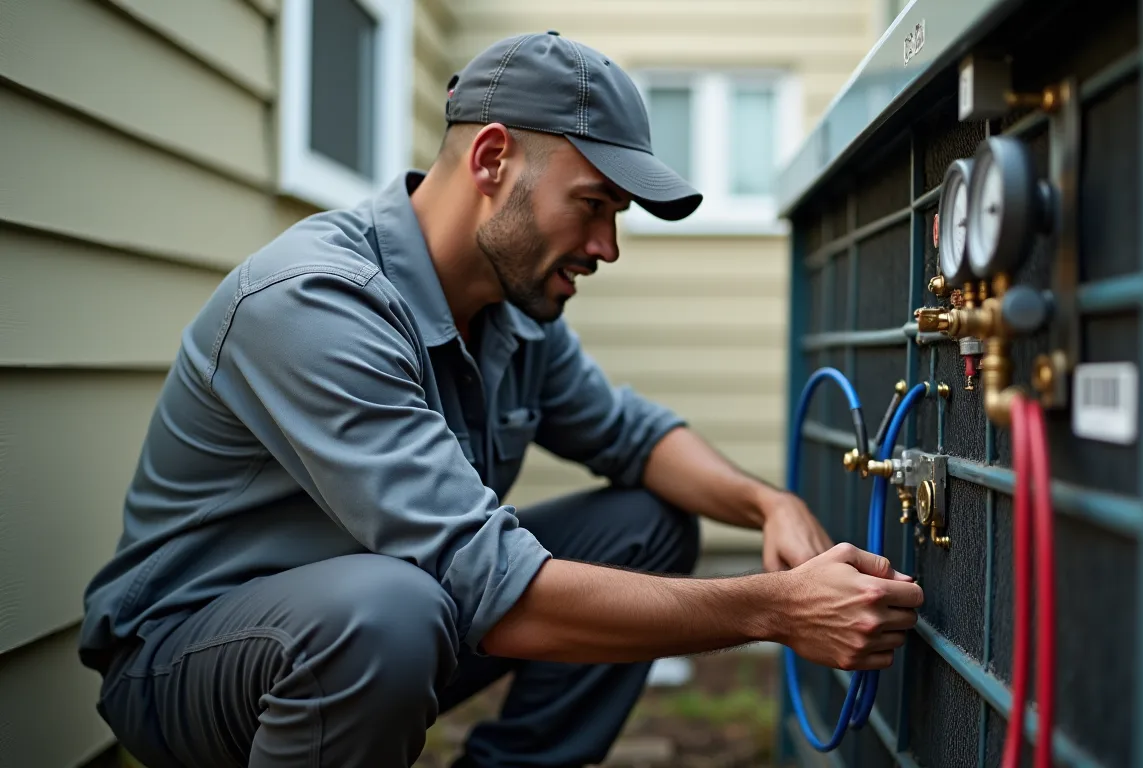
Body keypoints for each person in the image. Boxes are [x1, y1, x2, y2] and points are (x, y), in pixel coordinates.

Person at [78, 31, 923, 768]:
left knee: (646, 524)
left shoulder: (512, 310)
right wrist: (772, 611)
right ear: (491, 161)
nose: (608, 247)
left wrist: (766, 505)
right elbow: (491, 591)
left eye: (618, 216)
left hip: (373, 628)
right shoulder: (316, 304)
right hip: (191, 660)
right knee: (389, 613)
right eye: (593, 207)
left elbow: (631, 437)